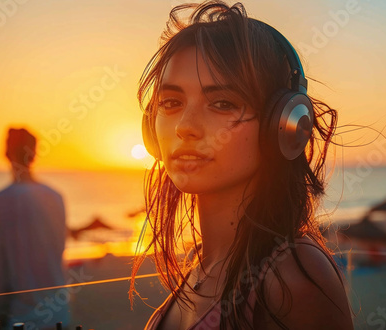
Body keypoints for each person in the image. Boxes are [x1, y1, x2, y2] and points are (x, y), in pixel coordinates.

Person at [130, 1, 354, 329]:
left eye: (222, 103)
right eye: (171, 102)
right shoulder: (199, 266)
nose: (184, 126)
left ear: (283, 124)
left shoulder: (293, 275)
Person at [0, 128, 69, 329]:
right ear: (34, 154)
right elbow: (60, 250)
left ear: (6, 154)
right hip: (59, 312)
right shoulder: (55, 197)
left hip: (19, 317)